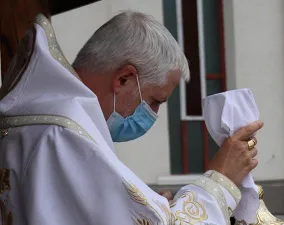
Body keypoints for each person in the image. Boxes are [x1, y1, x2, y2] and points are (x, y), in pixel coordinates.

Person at [0, 11, 263, 225]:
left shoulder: (42, 119)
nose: (154, 115)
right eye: (154, 101)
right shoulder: (62, 135)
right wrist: (221, 179)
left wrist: (146, 205)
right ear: (124, 78)